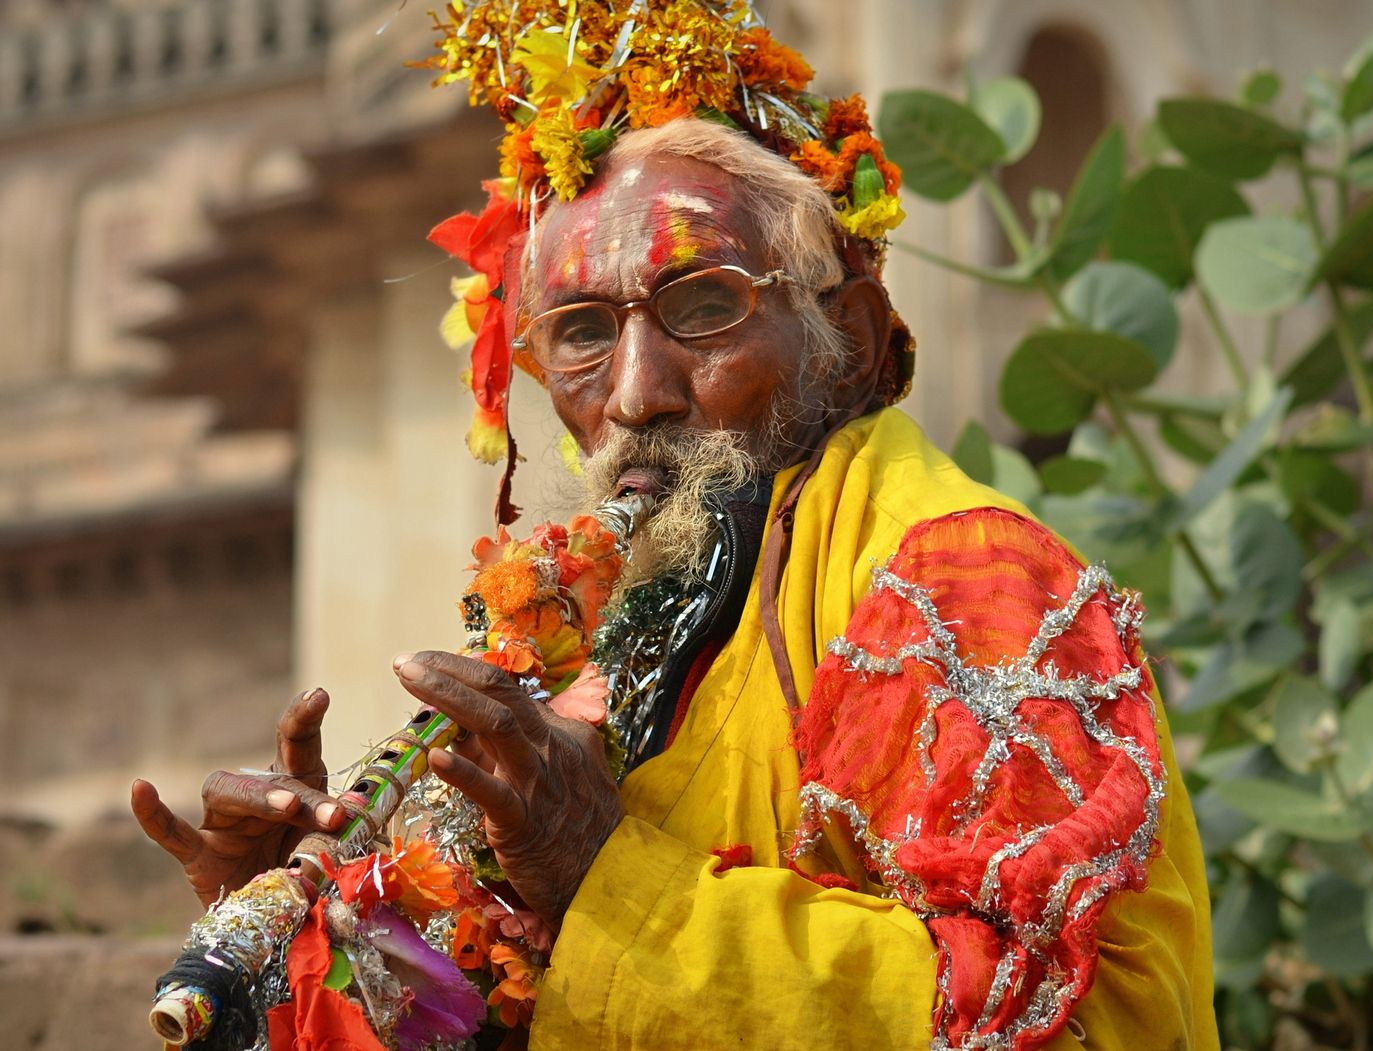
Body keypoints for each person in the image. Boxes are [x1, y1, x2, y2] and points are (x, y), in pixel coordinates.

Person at [132, 6, 1216, 1049]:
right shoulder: (601, 622)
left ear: (845, 332)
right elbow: (490, 1010)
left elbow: (1080, 1025)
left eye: (702, 308)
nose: (637, 392)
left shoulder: (963, 582)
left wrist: (602, 873)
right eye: (581, 334)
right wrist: (302, 946)